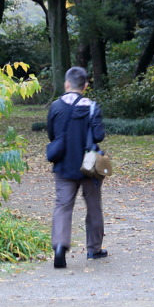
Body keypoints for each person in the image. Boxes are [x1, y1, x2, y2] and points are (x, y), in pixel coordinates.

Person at [47, 66, 107, 268]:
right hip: (89, 166)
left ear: (66, 84)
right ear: (85, 86)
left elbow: (52, 135)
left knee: (63, 206)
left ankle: (60, 247)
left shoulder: (56, 106)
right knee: (93, 207)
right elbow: (99, 136)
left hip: (64, 164)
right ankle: (94, 249)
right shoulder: (92, 107)